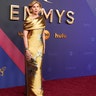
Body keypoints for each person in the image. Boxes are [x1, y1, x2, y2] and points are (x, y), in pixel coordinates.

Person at [23, 0, 46, 96]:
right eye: (34, 7)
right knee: (32, 70)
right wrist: (27, 49)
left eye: (37, 7)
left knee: (39, 69)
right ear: (31, 9)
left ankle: (38, 92)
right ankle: (32, 93)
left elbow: (43, 34)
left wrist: (44, 47)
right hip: (31, 47)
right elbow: (25, 36)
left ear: (40, 8)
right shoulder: (28, 19)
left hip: (40, 48)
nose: (36, 8)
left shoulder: (42, 19)